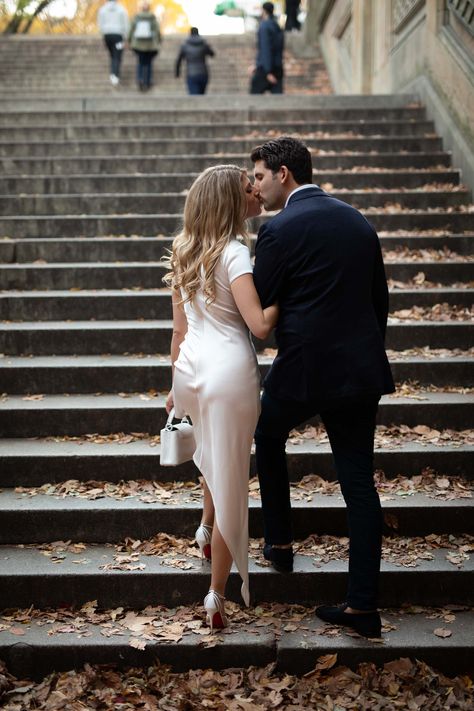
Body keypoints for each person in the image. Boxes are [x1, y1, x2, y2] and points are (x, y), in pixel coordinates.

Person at [250, 137, 395, 638]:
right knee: (359, 484)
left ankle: (280, 543)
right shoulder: (358, 221)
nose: (256, 186)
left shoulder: (279, 229)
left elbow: (260, 305)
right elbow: (381, 303)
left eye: (261, 177)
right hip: (359, 369)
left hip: (305, 368)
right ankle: (362, 607)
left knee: (268, 436)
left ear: (284, 174)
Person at [163, 165, 278, 630]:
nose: (256, 193)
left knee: (213, 457)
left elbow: (178, 330)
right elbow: (261, 325)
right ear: (232, 203)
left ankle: (205, 527)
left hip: (190, 368)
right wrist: (289, 291)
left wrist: (172, 389)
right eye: (248, 190)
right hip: (229, 372)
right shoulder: (234, 254)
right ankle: (216, 594)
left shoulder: (184, 250)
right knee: (233, 480)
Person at [250, 2, 284, 95]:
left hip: (266, 69)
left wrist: (267, 72)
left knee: (253, 97)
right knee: (278, 100)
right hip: (278, 67)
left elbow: (266, 48)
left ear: (264, 11)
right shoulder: (277, 26)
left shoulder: (264, 26)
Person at [129, 1, 161, 91]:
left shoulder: (137, 17)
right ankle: (148, 80)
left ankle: (140, 79)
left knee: (140, 62)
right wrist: (158, 41)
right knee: (149, 63)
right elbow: (157, 31)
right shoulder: (152, 18)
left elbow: (131, 29)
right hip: (150, 45)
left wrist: (129, 40)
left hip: (138, 44)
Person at [97, 0, 129, 86]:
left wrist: (103, 34)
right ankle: (114, 74)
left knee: (112, 55)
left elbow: (100, 23)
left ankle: (113, 73)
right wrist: (126, 36)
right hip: (118, 35)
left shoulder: (102, 9)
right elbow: (125, 23)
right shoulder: (122, 9)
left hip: (107, 35)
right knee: (117, 55)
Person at [175, 27, 215, 95]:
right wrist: (208, 47)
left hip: (191, 73)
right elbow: (212, 54)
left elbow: (179, 60)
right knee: (201, 96)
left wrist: (177, 73)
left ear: (190, 33)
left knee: (194, 97)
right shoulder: (203, 44)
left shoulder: (185, 46)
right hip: (203, 73)